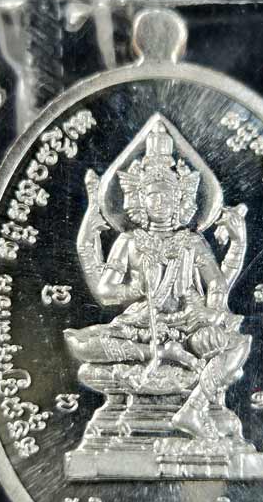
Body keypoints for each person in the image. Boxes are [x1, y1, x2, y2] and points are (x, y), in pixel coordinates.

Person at [64, 121, 250, 441]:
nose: (160, 202)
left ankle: (194, 408)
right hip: (140, 327)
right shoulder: (129, 241)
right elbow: (105, 292)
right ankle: (166, 353)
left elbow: (217, 284)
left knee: (238, 345)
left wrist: (210, 313)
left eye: (167, 195)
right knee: (85, 345)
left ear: (180, 200)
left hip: (187, 326)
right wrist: (135, 290)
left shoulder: (191, 242)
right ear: (139, 199)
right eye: (152, 195)